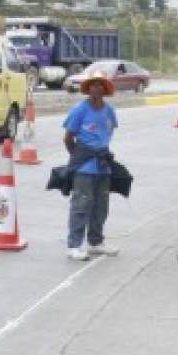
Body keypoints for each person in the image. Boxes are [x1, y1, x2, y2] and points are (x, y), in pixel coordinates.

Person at [62, 72, 120, 261]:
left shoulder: (109, 111)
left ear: (105, 89)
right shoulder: (80, 110)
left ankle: (95, 242)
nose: (96, 88)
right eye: (93, 84)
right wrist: (80, 158)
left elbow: (107, 135)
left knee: (100, 206)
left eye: (100, 84)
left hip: (103, 168)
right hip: (85, 168)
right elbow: (68, 139)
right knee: (81, 205)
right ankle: (74, 245)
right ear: (88, 89)